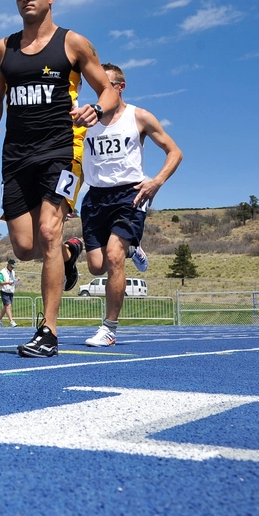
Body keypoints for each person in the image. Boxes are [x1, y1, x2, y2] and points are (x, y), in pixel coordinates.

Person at [0, 0, 120, 357]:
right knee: (25, 248)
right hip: (16, 156)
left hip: (60, 150)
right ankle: (71, 253)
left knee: (47, 232)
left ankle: (48, 331)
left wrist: (95, 109)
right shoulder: (1, 49)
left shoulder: (72, 42)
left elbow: (107, 90)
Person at [82, 64, 182, 347]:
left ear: (119, 87)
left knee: (114, 256)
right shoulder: (86, 121)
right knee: (97, 267)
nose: (98, 92)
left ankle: (109, 328)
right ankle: (134, 247)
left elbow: (175, 152)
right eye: (94, 85)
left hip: (130, 195)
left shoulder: (138, 117)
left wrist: (156, 182)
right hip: (95, 198)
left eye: (105, 85)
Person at [0, 258, 18, 327]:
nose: (12, 268)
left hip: (10, 291)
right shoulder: (2, 272)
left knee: (6, 307)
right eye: (11, 266)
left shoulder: (13, 272)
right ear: (8, 265)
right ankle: (11, 321)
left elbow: (12, 280)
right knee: (8, 306)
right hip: (4, 291)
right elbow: (0, 282)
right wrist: (7, 283)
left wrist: (16, 280)